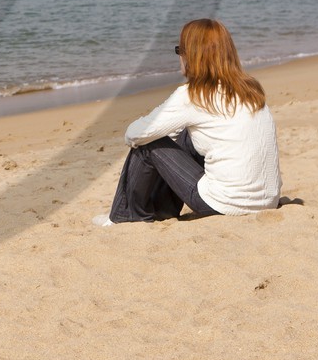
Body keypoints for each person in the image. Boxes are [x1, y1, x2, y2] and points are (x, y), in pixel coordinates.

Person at [93, 18, 281, 225]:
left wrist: (157, 134)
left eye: (180, 50)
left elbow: (135, 134)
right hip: (267, 201)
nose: (179, 56)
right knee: (186, 134)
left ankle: (124, 216)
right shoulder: (250, 89)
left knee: (147, 144)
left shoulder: (194, 95)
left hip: (225, 204)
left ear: (192, 55)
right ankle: (163, 210)